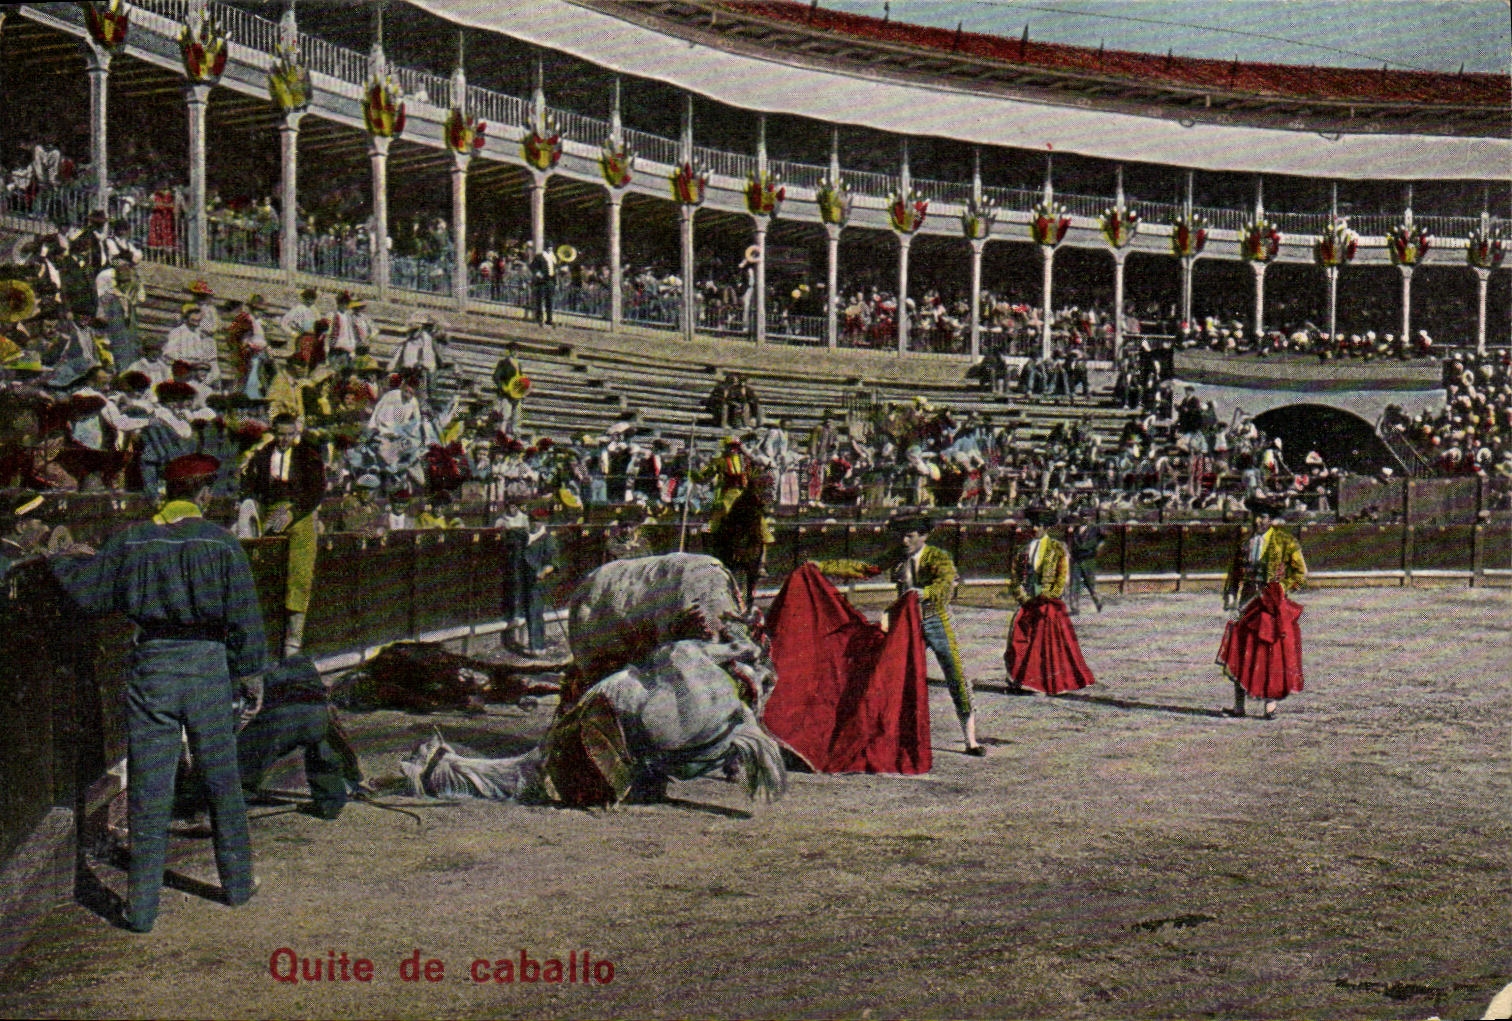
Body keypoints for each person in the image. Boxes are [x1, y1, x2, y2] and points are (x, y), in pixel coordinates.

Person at [49, 453, 267, 933]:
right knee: (221, 780)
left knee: (150, 787)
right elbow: (246, 620)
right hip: (208, 667)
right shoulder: (223, 544)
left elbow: (86, 594)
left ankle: (142, 910)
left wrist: (62, 554)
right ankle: (236, 886)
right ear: (205, 495)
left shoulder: (133, 540)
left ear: (165, 495)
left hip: (154, 667)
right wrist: (252, 677)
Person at [889, 517, 984, 757]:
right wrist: (821, 568)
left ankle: (970, 739)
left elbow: (945, 586)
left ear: (924, 536)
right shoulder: (898, 556)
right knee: (898, 675)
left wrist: (926, 592)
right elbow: (863, 567)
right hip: (908, 624)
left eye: (910, 535)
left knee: (955, 673)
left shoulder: (939, 557)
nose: (904, 540)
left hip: (937, 619)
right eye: (902, 535)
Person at [241, 412, 326, 658]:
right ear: (273, 432)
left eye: (290, 435)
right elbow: (250, 484)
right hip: (269, 511)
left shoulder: (307, 454)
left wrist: (294, 512)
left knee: (300, 569)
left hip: (298, 513)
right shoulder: (264, 454)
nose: (285, 440)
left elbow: (316, 490)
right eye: (281, 434)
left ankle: (294, 636)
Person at [1218, 494, 1306, 720]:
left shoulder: (1285, 541)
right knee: (1241, 649)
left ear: (1271, 519)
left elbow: (1300, 573)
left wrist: (1282, 588)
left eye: (1263, 516)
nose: (1258, 521)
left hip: (1271, 604)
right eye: (1256, 516)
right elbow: (1235, 572)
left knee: (1270, 652)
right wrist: (1230, 594)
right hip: (1248, 600)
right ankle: (1239, 707)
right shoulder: (1245, 542)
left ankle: (1270, 706)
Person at [1003, 504, 1096, 696]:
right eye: (1033, 524)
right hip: (1028, 602)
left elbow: (1061, 578)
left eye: (1038, 525)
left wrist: (1048, 596)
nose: (1034, 528)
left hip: (1047, 604)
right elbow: (1015, 579)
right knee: (1018, 639)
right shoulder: (1023, 550)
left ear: (1046, 527)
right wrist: (1024, 598)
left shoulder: (1057, 548)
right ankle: (1021, 679)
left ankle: (1045, 682)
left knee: (1048, 646)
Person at [518, 509, 559, 653]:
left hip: (538, 582)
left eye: (537, 521)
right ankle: (536, 645)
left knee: (535, 612)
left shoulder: (547, 539)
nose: (534, 523)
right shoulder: (526, 536)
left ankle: (537, 647)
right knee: (530, 612)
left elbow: (553, 563)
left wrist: (543, 571)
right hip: (525, 579)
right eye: (532, 520)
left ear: (543, 522)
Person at [1065, 511, 1105, 615]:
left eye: (1088, 517)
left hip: (1088, 559)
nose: (1086, 519)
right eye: (1083, 517)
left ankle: (1098, 601)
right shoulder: (1074, 529)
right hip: (1077, 559)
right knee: (1074, 583)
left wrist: (1095, 551)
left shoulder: (1095, 529)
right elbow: (1069, 543)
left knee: (1090, 583)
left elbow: (1101, 541)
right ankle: (1075, 608)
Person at [491, 341, 526, 435]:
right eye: (513, 350)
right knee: (505, 415)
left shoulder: (518, 364)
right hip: (506, 394)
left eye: (517, 351)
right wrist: (504, 387)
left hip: (517, 394)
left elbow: (521, 379)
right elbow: (496, 377)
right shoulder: (503, 363)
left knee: (517, 416)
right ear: (509, 351)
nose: (515, 352)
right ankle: (501, 434)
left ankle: (515, 434)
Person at [529, 242, 556, 326]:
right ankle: (539, 318)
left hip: (550, 280)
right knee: (540, 300)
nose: (550, 249)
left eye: (551, 247)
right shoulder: (540, 256)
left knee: (549, 301)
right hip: (542, 281)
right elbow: (532, 266)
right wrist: (537, 273)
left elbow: (554, 268)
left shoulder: (553, 257)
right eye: (548, 247)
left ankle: (549, 319)